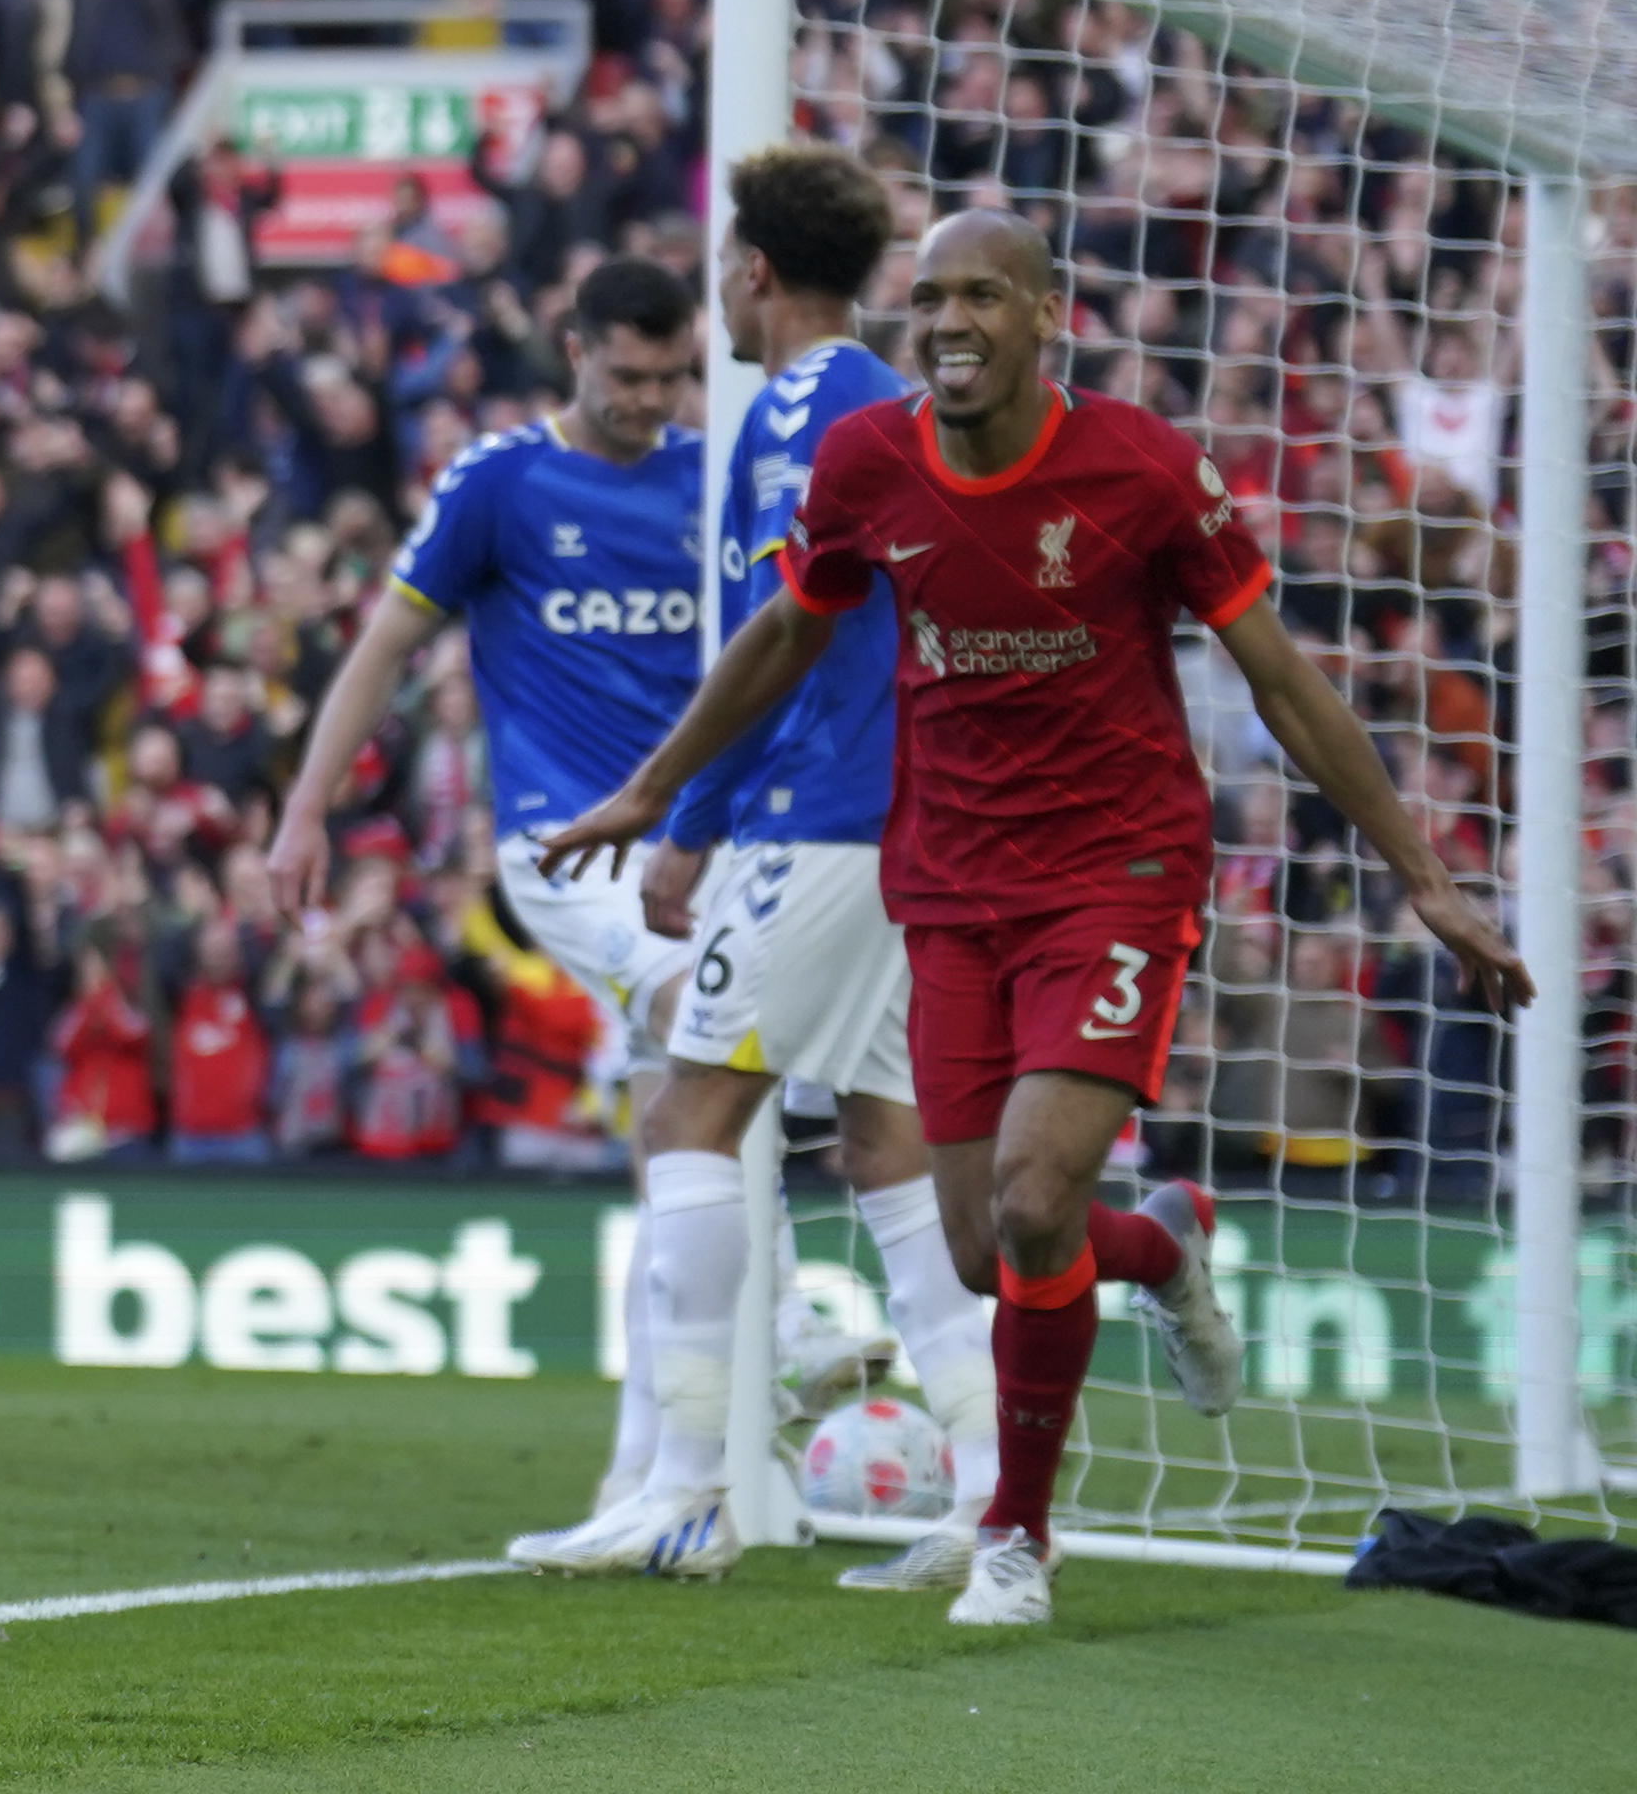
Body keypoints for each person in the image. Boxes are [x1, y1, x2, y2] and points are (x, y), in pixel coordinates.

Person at [540, 209, 1530, 1629]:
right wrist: (655, 788)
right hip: (946, 886)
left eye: (984, 297)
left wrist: (1423, 874)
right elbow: (785, 631)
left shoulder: (1139, 470)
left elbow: (1285, 682)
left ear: (1047, 315)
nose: (950, 322)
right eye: (931, 297)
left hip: (1117, 873)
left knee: (1028, 1193)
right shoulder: (867, 460)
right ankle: (1167, 1245)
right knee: (983, 1251)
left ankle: (1016, 1534)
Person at [543, 145, 999, 1585]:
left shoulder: (801, 408)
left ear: (750, 270)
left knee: (686, 1118)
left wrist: (684, 816)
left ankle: (686, 1491)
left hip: (819, 816)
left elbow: (783, 637)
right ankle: (994, 1495)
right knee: (887, 1149)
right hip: (913, 822)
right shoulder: (894, 398)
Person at [269, 256, 704, 1541]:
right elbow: (385, 646)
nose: (646, 399)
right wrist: (306, 806)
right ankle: (782, 1332)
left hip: (695, 846)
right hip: (563, 850)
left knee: (677, 1136)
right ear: (574, 350)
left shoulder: (708, 477)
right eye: (625, 375)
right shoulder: (500, 481)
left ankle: (642, 1481)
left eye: (670, 375)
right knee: (702, 1032)